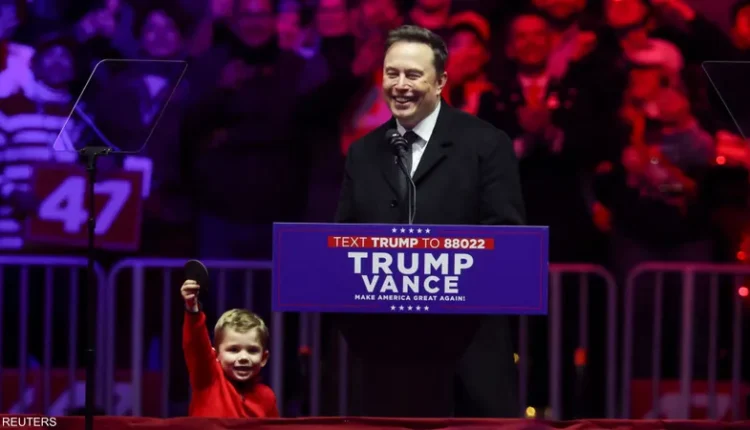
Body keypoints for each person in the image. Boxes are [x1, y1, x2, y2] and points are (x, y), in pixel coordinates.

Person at [334, 25, 525, 418]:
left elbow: (506, 238)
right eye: (392, 73)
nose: (400, 85)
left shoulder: (486, 144)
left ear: (440, 82)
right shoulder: (363, 153)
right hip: (386, 355)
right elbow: (345, 242)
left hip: (466, 354)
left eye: (413, 75)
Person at [180, 280, 279, 417]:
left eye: (252, 350)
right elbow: (197, 345)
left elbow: (274, 427)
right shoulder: (208, 379)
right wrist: (192, 309)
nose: (243, 357)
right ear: (215, 354)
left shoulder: (267, 397)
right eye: (233, 350)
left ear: (264, 358)